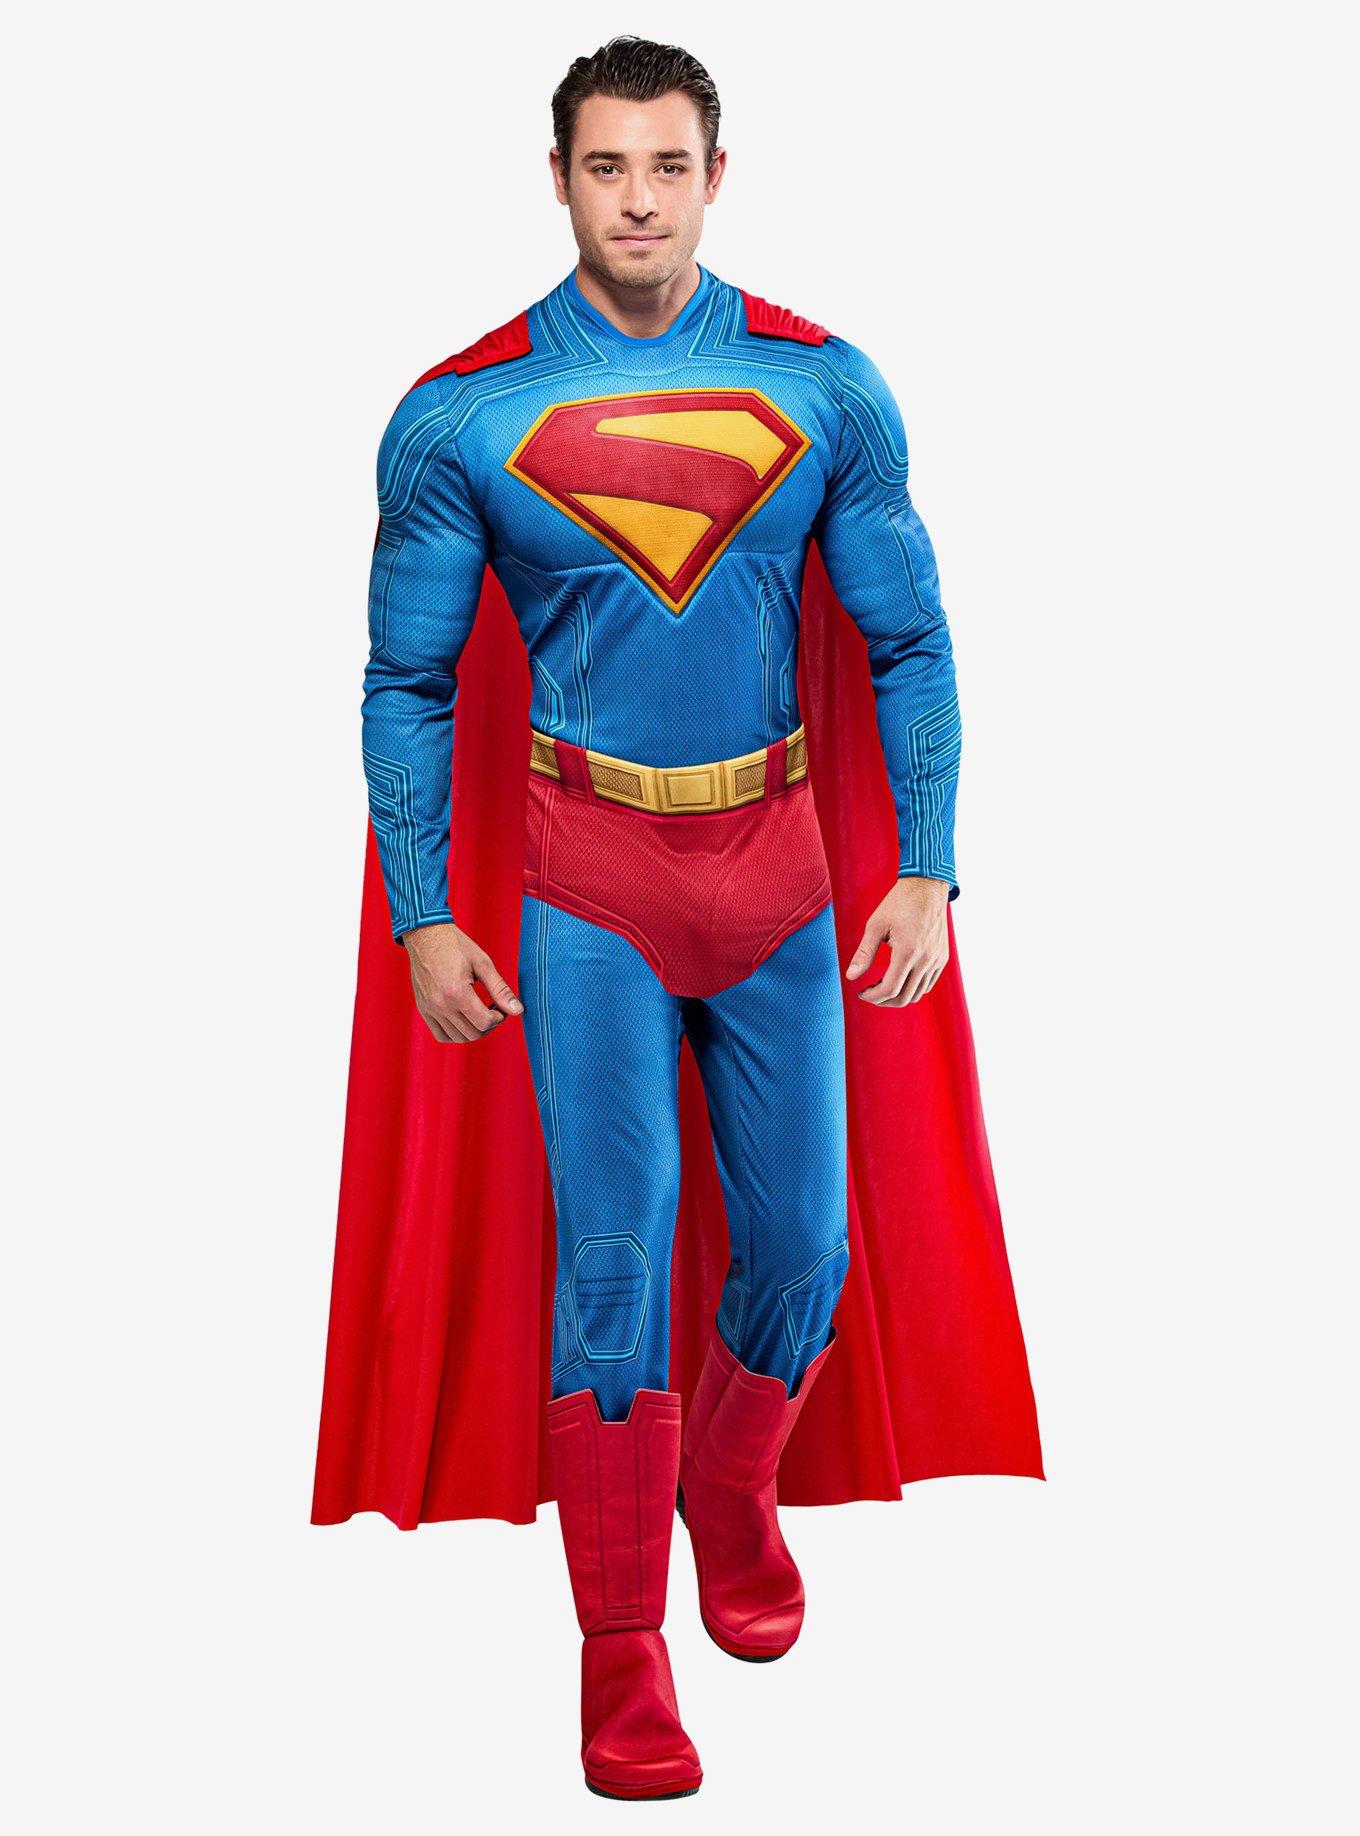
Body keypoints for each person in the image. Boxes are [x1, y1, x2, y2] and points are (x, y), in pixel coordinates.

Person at [312, 34, 1042, 1802]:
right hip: (589, 880)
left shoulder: (823, 386)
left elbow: (910, 639)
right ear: (557, 179)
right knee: (616, 1255)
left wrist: (926, 859)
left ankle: (729, 1477)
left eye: (666, 163)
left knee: (805, 1252)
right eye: (604, 165)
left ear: (719, 173)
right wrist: (422, 910)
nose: (637, 197)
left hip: (778, 868)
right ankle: (621, 1644)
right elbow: (407, 681)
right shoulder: (461, 414)